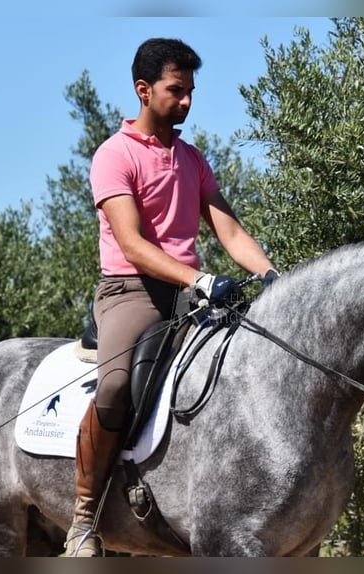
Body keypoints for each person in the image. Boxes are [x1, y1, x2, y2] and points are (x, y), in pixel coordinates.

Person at [65, 37, 279, 557]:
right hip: (130, 290)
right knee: (115, 385)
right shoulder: (113, 156)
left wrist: (275, 275)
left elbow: (229, 233)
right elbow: (133, 245)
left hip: (189, 294)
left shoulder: (192, 159)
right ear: (144, 90)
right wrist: (199, 280)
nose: (185, 102)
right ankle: (83, 518)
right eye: (175, 90)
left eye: (190, 92)